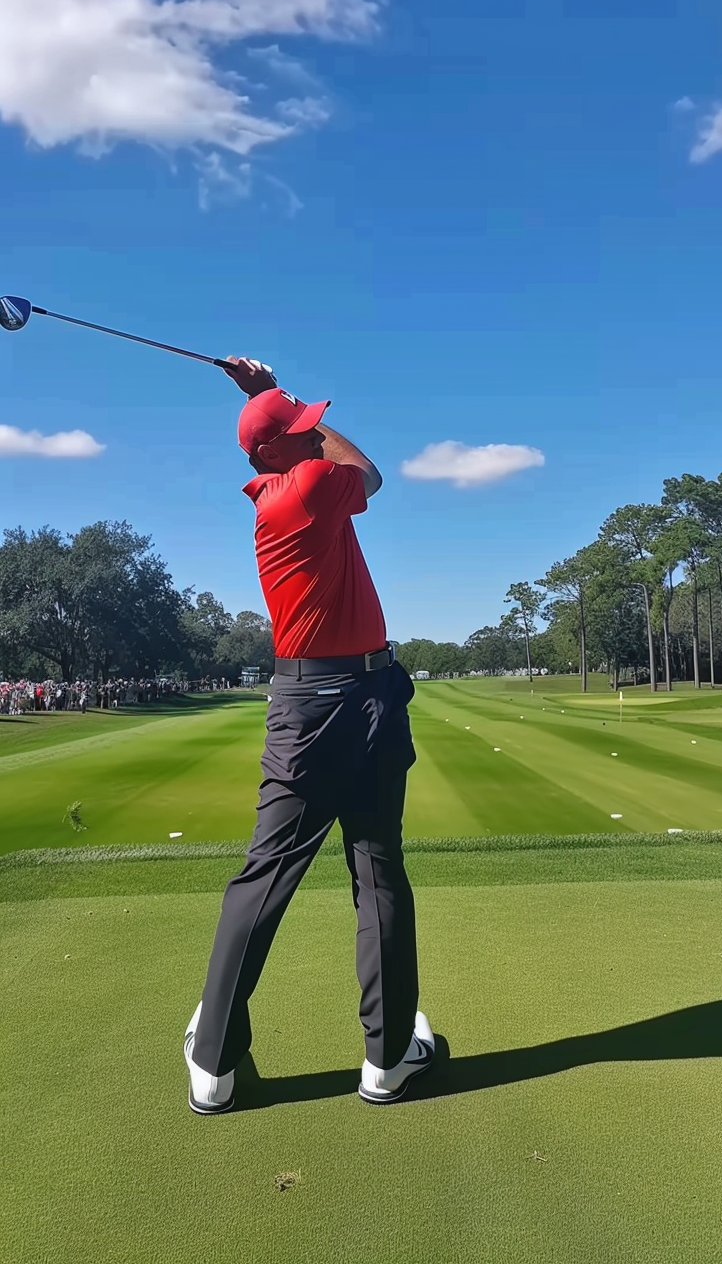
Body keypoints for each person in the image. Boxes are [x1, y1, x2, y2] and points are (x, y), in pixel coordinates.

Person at [183, 357, 434, 1115]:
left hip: (340, 695)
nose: (311, 434)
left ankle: (214, 1062)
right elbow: (372, 472)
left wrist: (271, 408)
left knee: (278, 873)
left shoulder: (268, 489)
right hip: (340, 701)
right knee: (373, 869)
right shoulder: (313, 485)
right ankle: (386, 1062)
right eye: (297, 431)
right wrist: (269, 397)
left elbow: (296, 453)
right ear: (276, 450)